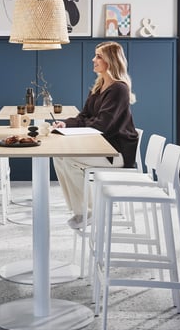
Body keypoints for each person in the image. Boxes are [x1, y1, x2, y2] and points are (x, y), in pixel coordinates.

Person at [52, 41, 138, 229]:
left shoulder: (118, 89)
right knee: (58, 157)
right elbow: (84, 117)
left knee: (69, 159)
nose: (94, 59)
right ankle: (79, 210)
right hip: (101, 147)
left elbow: (102, 125)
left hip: (116, 152)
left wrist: (72, 128)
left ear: (111, 61)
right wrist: (65, 123)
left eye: (99, 56)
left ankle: (88, 211)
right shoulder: (98, 87)